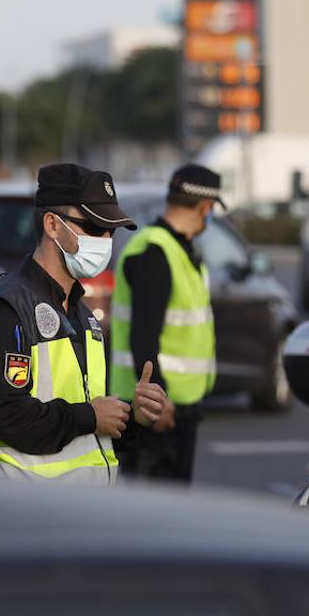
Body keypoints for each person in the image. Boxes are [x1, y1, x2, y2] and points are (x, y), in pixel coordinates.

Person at [0, 164, 167, 483]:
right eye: (94, 227)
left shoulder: (85, 318)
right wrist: (90, 416)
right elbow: (6, 417)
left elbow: (88, 429)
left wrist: (132, 415)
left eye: (112, 231)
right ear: (52, 224)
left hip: (73, 512)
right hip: (17, 511)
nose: (106, 240)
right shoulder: (7, 309)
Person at [107, 165, 222, 483]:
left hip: (174, 406)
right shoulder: (155, 253)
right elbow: (143, 335)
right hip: (154, 412)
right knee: (154, 518)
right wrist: (158, 401)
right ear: (205, 206)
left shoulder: (178, 250)